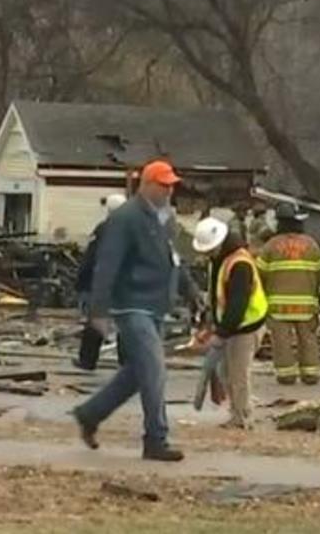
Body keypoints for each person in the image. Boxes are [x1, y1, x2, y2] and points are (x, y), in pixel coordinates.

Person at [72, 160, 184, 462]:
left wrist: (193, 295)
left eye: (172, 184)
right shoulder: (126, 218)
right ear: (147, 185)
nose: (170, 190)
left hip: (154, 305)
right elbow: (107, 265)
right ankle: (155, 439)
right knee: (155, 369)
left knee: (137, 374)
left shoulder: (161, 218)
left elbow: (173, 262)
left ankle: (89, 414)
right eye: (164, 184)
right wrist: (98, 310)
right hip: (132, 305)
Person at [193, 217, 268, 430]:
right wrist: (210, 323)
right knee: (227, 372)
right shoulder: (220, 260)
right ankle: (236, 412)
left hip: (246, 325)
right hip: (235, 323)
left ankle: (242, 417)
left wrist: (222, 332)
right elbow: (218, 296)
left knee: (238, 373)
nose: (206, 255)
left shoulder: (239, 264)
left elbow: (238, 303)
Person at [257, 203, 320, 385]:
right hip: (306, 304)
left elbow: (259, 275)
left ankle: (286, 374)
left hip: (278, 305)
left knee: (281, 341)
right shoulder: (311, 245)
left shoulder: (270, 246)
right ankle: (310, 373)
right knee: (308, 339)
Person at [76, 194, 126, 370]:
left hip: (101, 283)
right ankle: (126, 364)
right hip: (124, 284)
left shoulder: (103, 229)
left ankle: (87, 361)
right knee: (124, 324)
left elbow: (90, 258)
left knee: (95, 322)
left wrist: (82, 283)